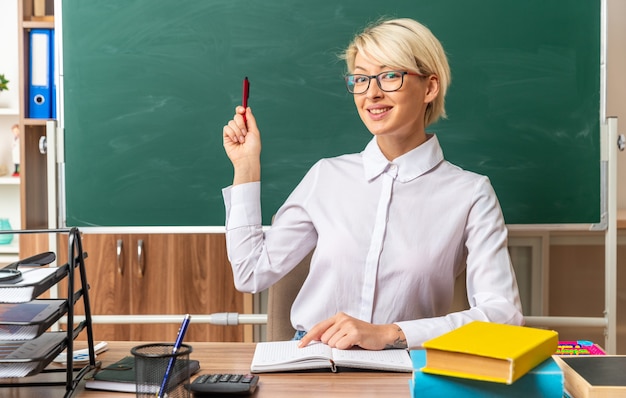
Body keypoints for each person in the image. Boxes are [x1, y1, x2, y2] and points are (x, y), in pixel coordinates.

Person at [221, 17, 523, 350]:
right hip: (314, 363)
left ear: (430, 87)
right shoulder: (327, 176)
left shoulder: (470, 193)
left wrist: (391, 333)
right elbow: (250, 274)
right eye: (361, 79)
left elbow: (504, 316)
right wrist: (246, 166)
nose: (372, 93)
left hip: (402, 364)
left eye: (390, 75)